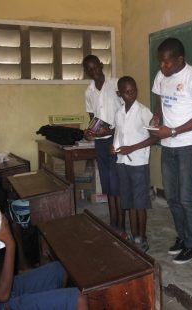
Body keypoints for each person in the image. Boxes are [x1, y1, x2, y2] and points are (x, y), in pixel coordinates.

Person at [0, 189, 88, 310]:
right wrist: (10, 243)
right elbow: (3, 295)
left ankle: (54, 300)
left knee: (59, 269)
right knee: (79, 299)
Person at [150, 37, 192, 264]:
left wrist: (172, 131)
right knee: (172, 196)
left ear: (180, 59)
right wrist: (156, 116)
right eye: (160, 63)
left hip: (189, 145)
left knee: (186, 197)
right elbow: (159, 100)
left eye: (167, 63)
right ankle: (182, 237)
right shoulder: (161, 75)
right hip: (169, 144)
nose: (162, 68)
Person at [111, 76, 158, 252]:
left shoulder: (143, 112)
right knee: (129, 202)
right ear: (119, 94)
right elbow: (118, 136)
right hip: (122, 163)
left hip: (138, 163)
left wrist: (132, 148)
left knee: (140, 203)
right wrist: (114, 148)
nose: (131, 94)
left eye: (134, 90)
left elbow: (154, 137)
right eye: (127, 92)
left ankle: (142, 237)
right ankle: (134, 235)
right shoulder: (119, 113)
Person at [83, 55, 123, 234]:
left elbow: (125, 113)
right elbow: (93, 120)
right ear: (87, 72)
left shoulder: (116, 85)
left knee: (117, 184)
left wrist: (110, 131)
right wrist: (90, 131)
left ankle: (120, 224)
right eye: (89, 70)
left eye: (95, 67)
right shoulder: (89, 91)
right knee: (107, 184)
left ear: (101, 65)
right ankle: (113, 222)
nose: (94, 72)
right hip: (100, 143)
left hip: (116, 140)